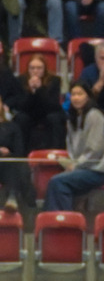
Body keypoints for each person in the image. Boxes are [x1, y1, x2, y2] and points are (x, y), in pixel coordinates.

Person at [44, 82, 104, 210]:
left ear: (88, 96)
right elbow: (71, 148)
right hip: (82, 167)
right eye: (73, 94)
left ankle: (63, 224)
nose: (76, 97)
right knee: (56, 181)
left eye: (80, 94)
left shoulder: (95, 115)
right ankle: (54, 221)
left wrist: (75, 166)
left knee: (58, 182)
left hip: (96, 169)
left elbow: (95, 150)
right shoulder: (73, 118)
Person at [13, 53, 65, 151]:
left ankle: (56, 153)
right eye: (32, 68)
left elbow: (53, 105)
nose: (35, 71)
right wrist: (31, 91)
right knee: (21, 118)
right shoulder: (20, 80)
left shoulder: (54, 80)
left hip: (47, 112)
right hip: (29, 113)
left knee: (55, 119)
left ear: (44, 68)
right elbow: (21, 106)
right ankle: (22, 154)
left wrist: (40, 89)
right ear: (28, 69)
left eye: (39, 68)